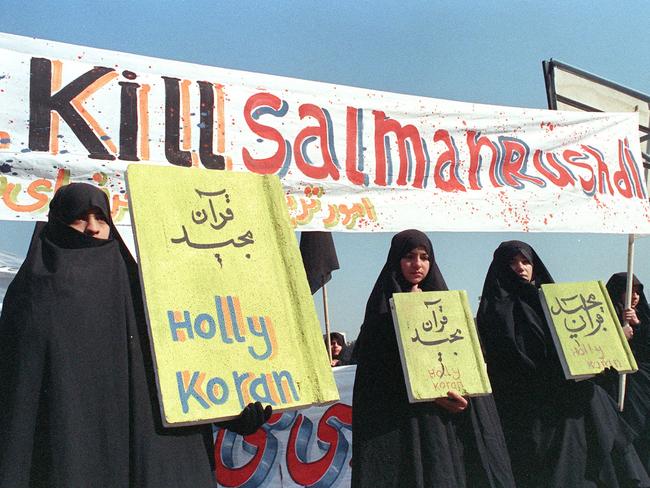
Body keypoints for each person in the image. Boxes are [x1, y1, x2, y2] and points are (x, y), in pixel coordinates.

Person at [0, 183, 271, 488]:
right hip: (73, 453)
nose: (92, 227)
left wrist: (230, 413)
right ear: (56, 222)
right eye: (79, 218)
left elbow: (181, 361)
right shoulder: (31, 293)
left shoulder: (141, 285)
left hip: (152, 455)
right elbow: (18, 394)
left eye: (101, 218)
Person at [476, 240, 650, 487]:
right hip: (525, 406)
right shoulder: (494, 309)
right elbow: (511, 357)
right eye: (512, 263)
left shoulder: (551, 302)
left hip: (564, 402)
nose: (520, 267)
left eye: (525, 261)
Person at [352, 229, 516, 488]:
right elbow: (375, 377)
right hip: (398, 427)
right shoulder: (380, 310)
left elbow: (463, 365)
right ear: (396, 260)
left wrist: (464, 402)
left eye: (424, 257)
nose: (417, 264)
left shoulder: (446, 307)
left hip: (439, 424)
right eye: (409, 257)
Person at [605, 272, 650, 471]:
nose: (634, 296)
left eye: (638, 291)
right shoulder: (605, 313)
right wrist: (619, 335)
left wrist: (638, 326)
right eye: (629, 291)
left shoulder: (644, 316)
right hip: (619, 383)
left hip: (644, 383)